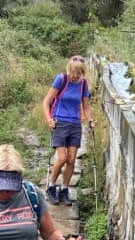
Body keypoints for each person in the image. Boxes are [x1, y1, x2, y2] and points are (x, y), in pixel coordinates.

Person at [41, 55, 95, 206]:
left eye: (78, 73)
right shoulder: (61, 79)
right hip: (59, 122)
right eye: (73, 72)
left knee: (71, 160)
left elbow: (86, 106)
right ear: (69, 69)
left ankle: (64, 190)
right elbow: (46, 102)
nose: (75, 76)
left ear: (82, 73)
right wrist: (48, 119)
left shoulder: (83, 84)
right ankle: (51, 187)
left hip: (75, 124)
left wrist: (90, 119)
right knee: (62, 158)